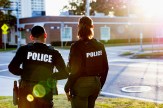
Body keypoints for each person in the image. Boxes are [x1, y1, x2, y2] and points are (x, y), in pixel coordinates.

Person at [8, 25, 68, 108]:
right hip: (45, 92)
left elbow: (12, 67)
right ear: (45, 35)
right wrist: (50, 76)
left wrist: (24, 73)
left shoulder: (24, 50)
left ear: (31, 37)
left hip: (26, 90)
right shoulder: (54, 53)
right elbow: (64, 73)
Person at [64, 16, 109, 108]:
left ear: (78, 27)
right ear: (92, 27)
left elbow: (74, 71)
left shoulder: (76, 46)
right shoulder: (100, 46)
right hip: (96, 84)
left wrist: (66, 87)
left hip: (81, 85)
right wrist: (100, 85)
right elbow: (106, 68)